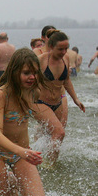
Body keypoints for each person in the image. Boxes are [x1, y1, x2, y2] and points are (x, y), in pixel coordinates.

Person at [0, 48, 46, 196]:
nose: (32, 77)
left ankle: (13, 179)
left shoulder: (33, 91)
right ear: (14, 72)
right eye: (26, 73)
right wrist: (22, 152)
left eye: (35, 73)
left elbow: (41, 114)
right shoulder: (1, 94)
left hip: (22, 154)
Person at [36, 29, 85, 166]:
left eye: (66, 48)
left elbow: (66, 80)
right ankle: (49, 166)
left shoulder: (66, 59)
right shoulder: (41, 60)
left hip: (57, 103)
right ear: (51, 47)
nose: (64, 52)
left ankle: (41, 157)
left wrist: (75, 99)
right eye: (60, 49)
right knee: (59, 133)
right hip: (40, 102)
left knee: (52, 134)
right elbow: (24, 78)